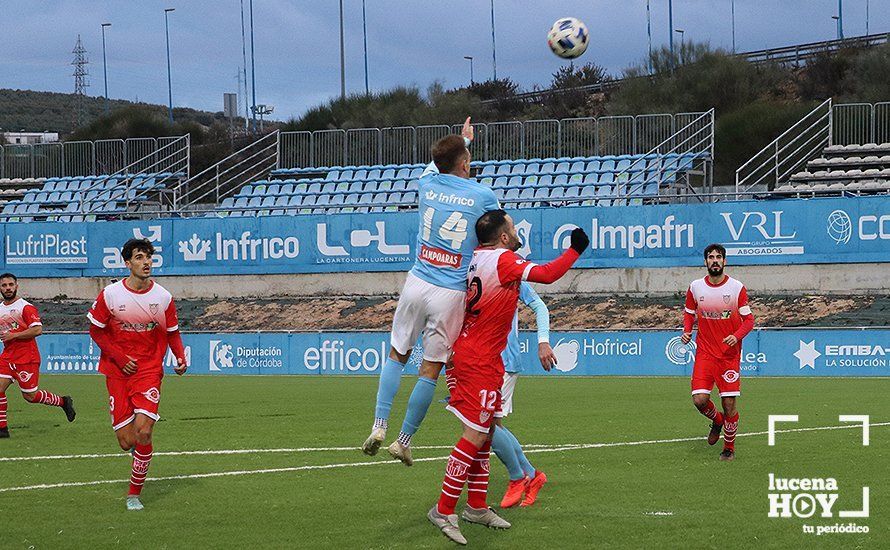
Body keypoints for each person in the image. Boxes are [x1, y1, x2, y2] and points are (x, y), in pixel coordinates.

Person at [428, 210, 588, 545]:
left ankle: (475, 506)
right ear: (503, 237)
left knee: (485, 436)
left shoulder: (476, 258)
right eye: (513, 227)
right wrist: (574, 250)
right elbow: (545, 275)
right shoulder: (503, 260)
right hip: (479, 361)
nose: (517, 232)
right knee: (474, 436)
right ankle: (443, 510)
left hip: (479, 357)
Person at [363, 118, 501, 467]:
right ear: (466, 163)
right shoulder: (483, 195)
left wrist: (463, 140)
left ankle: (379, 425)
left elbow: (440, 163)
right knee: (430, 369)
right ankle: (403, 441)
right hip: (450, 290)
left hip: (417, 282)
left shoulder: (426, 183)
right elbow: (499, 232)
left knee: (396, 353)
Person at [88, 238, 188, 510]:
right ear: (127, 262)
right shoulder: (111, 295)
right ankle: (139, 451)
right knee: (126, 441)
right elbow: (96, 330)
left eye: (149, 258)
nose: (146, 263)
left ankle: (134, 494)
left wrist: (179, 356)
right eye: (140, 257)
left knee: (143, 432)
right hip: (117, 371)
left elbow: (172, 332)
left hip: (148, 370)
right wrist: (120, 358)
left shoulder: (163, 297)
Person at [681, 243, 755, 461]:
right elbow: (688, 312)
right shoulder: (695, 287)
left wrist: (736, 336)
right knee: (699, 400)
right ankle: (717, 420)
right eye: (711, 257)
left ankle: (729, 447)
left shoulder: (736, 288)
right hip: (705, 353)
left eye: (718, 257)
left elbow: (749, 320)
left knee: (729, 403)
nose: (715, 260)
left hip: (728, 355)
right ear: (705, 261)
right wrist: (687, 331)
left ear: (725, 261)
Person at [491, 282, 554, 508]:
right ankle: (530, 475)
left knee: (485, 426)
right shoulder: (473, 268)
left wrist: (543, 341)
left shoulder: (510, 273)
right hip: (482, 362)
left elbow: (540, 306)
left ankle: (522, 476)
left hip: (503, 362)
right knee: (491, 426)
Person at [0, 273, 75, 438]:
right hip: (7, 357)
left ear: (16, 286)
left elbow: (37, 329)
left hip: (27, 358)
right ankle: (2, 429)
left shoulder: (25, 307)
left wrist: (14, 335)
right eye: (4, 285)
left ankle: (63, 401)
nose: (7, 288)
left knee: (30, 396)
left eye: (10, 285)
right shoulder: (0, 309)